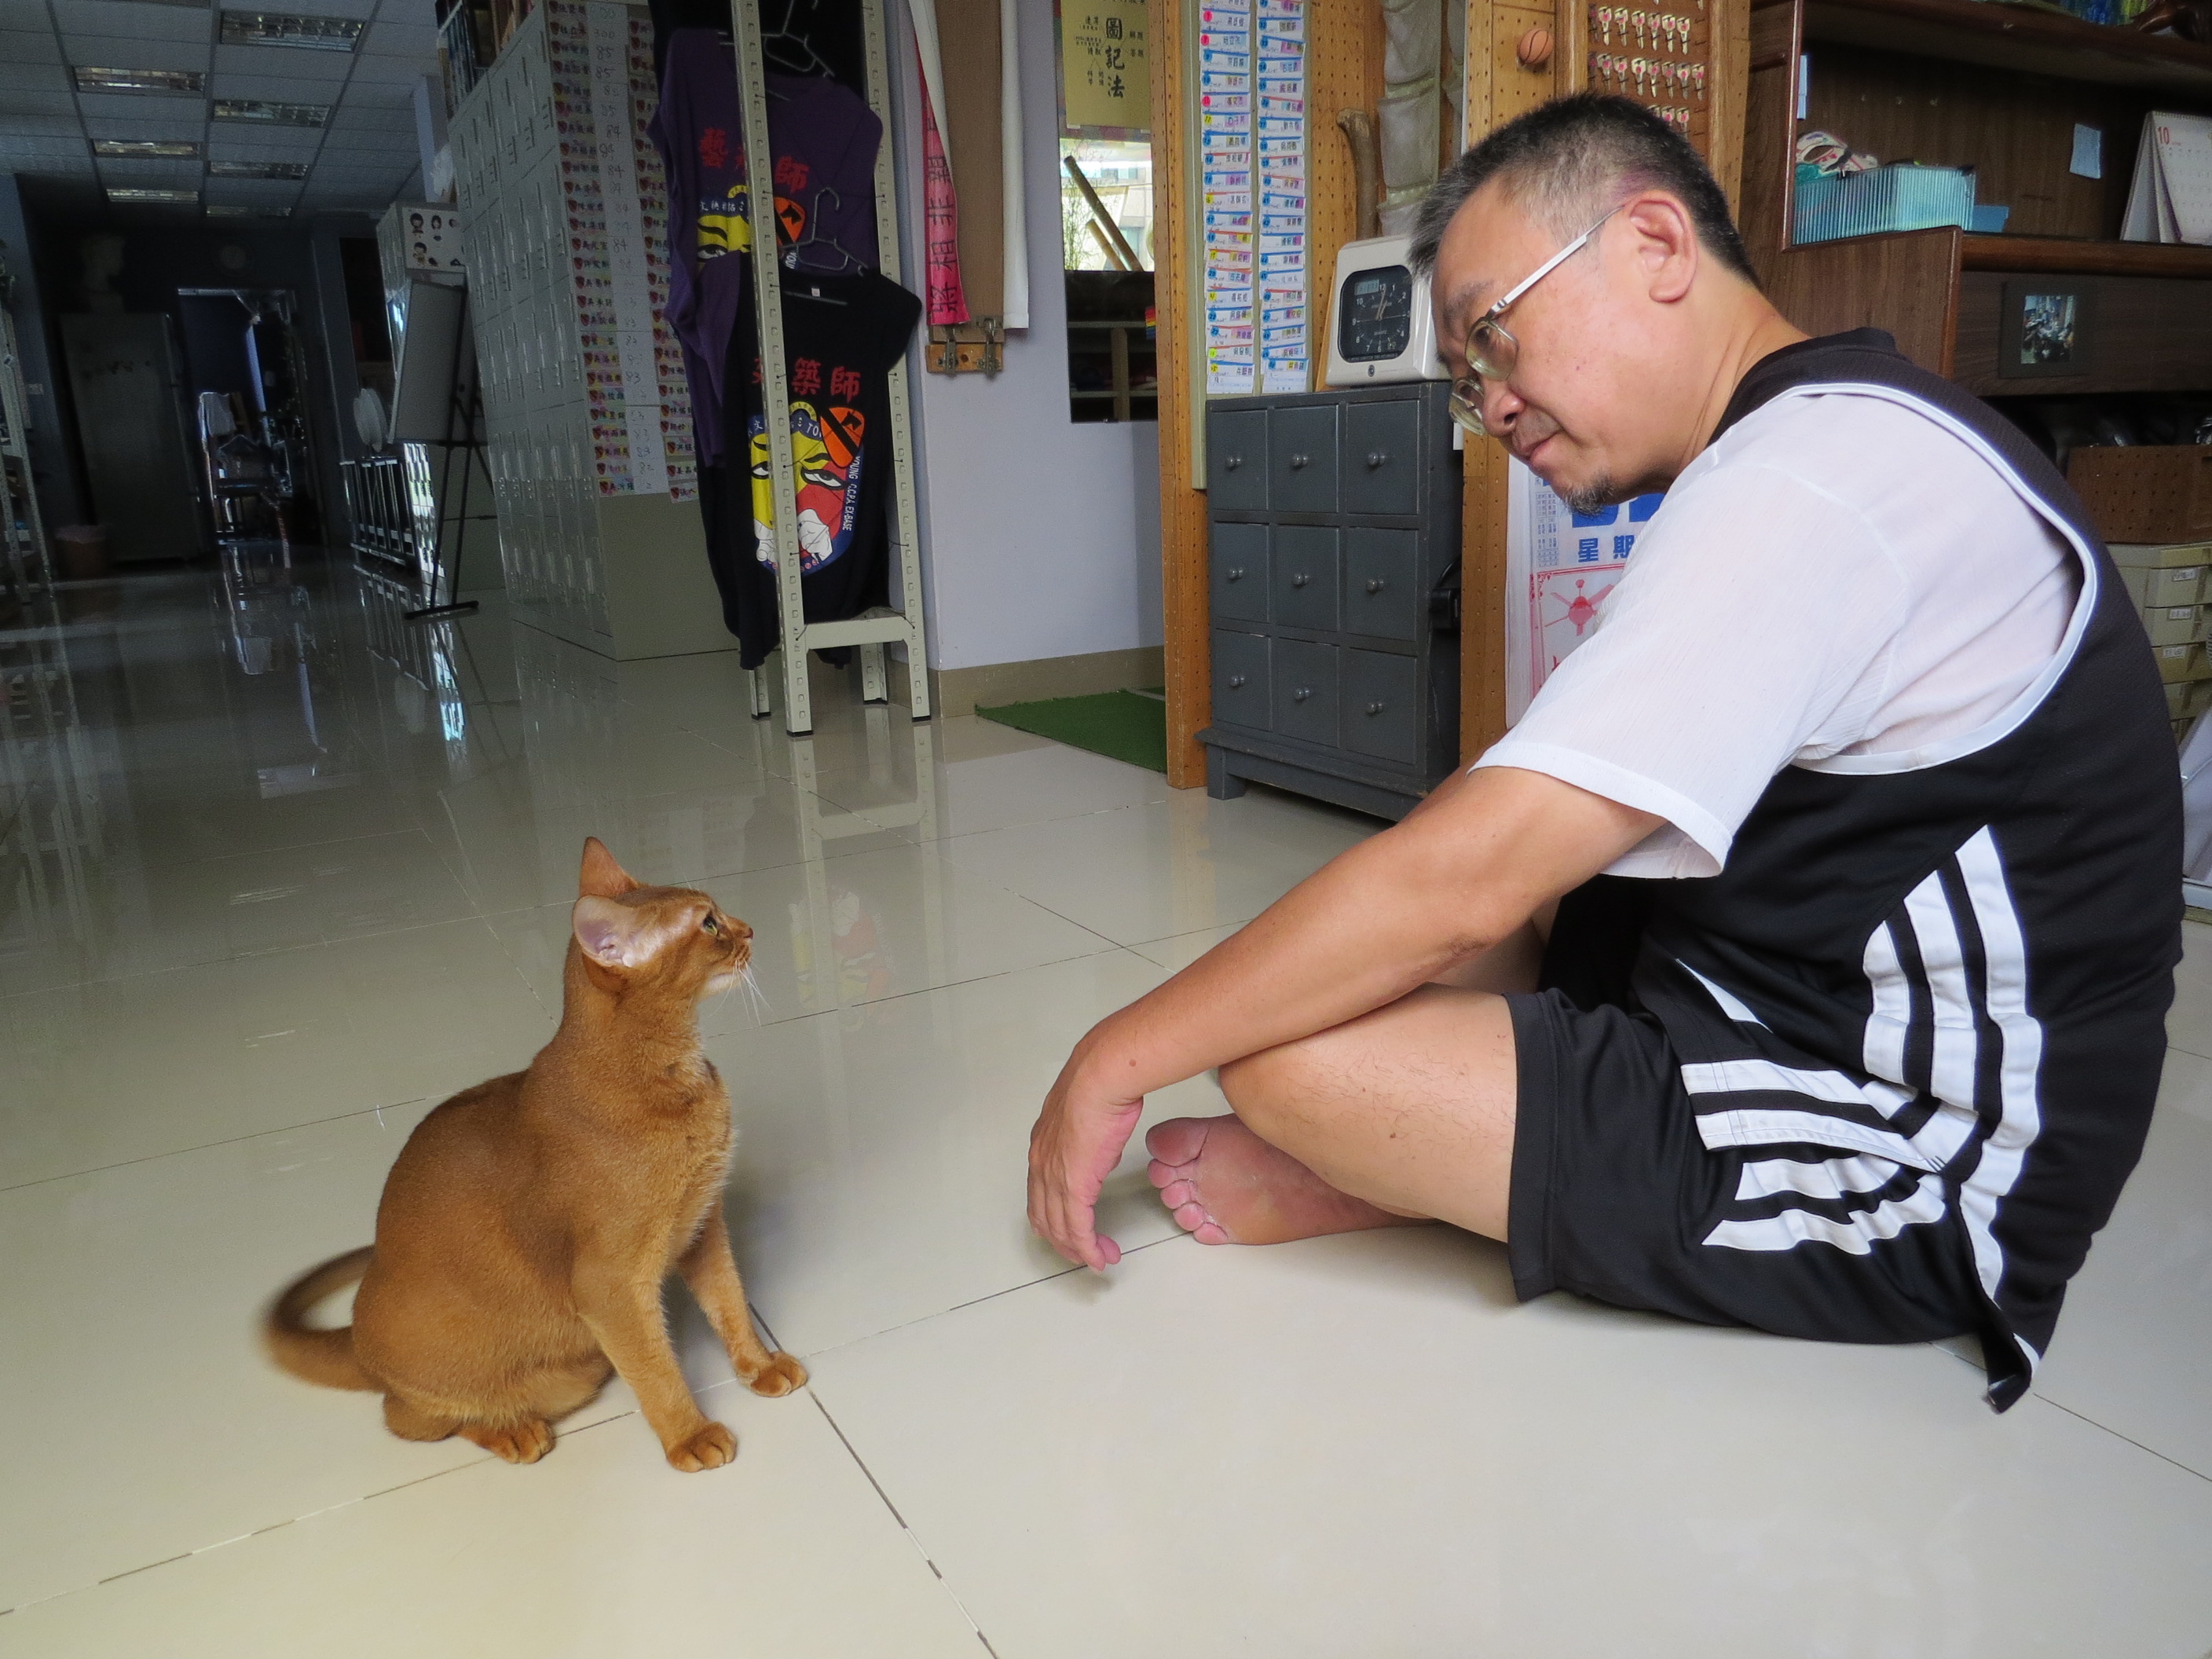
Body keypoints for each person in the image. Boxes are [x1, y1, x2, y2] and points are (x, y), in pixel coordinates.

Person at [1024, 93, 2181, 1410]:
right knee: (1467, 874)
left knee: (1290, 1058)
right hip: (1769, 992)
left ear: (1655, 244)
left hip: (1912, 1156)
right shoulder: (1810, 441)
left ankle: (1406, 1178)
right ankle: (1445, 1160)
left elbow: (1463, 884)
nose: (1495, 405)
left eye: (1494, 336)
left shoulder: (1805, 486)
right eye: (1469, 381)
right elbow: (1496, 834)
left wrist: (1111, 1059)